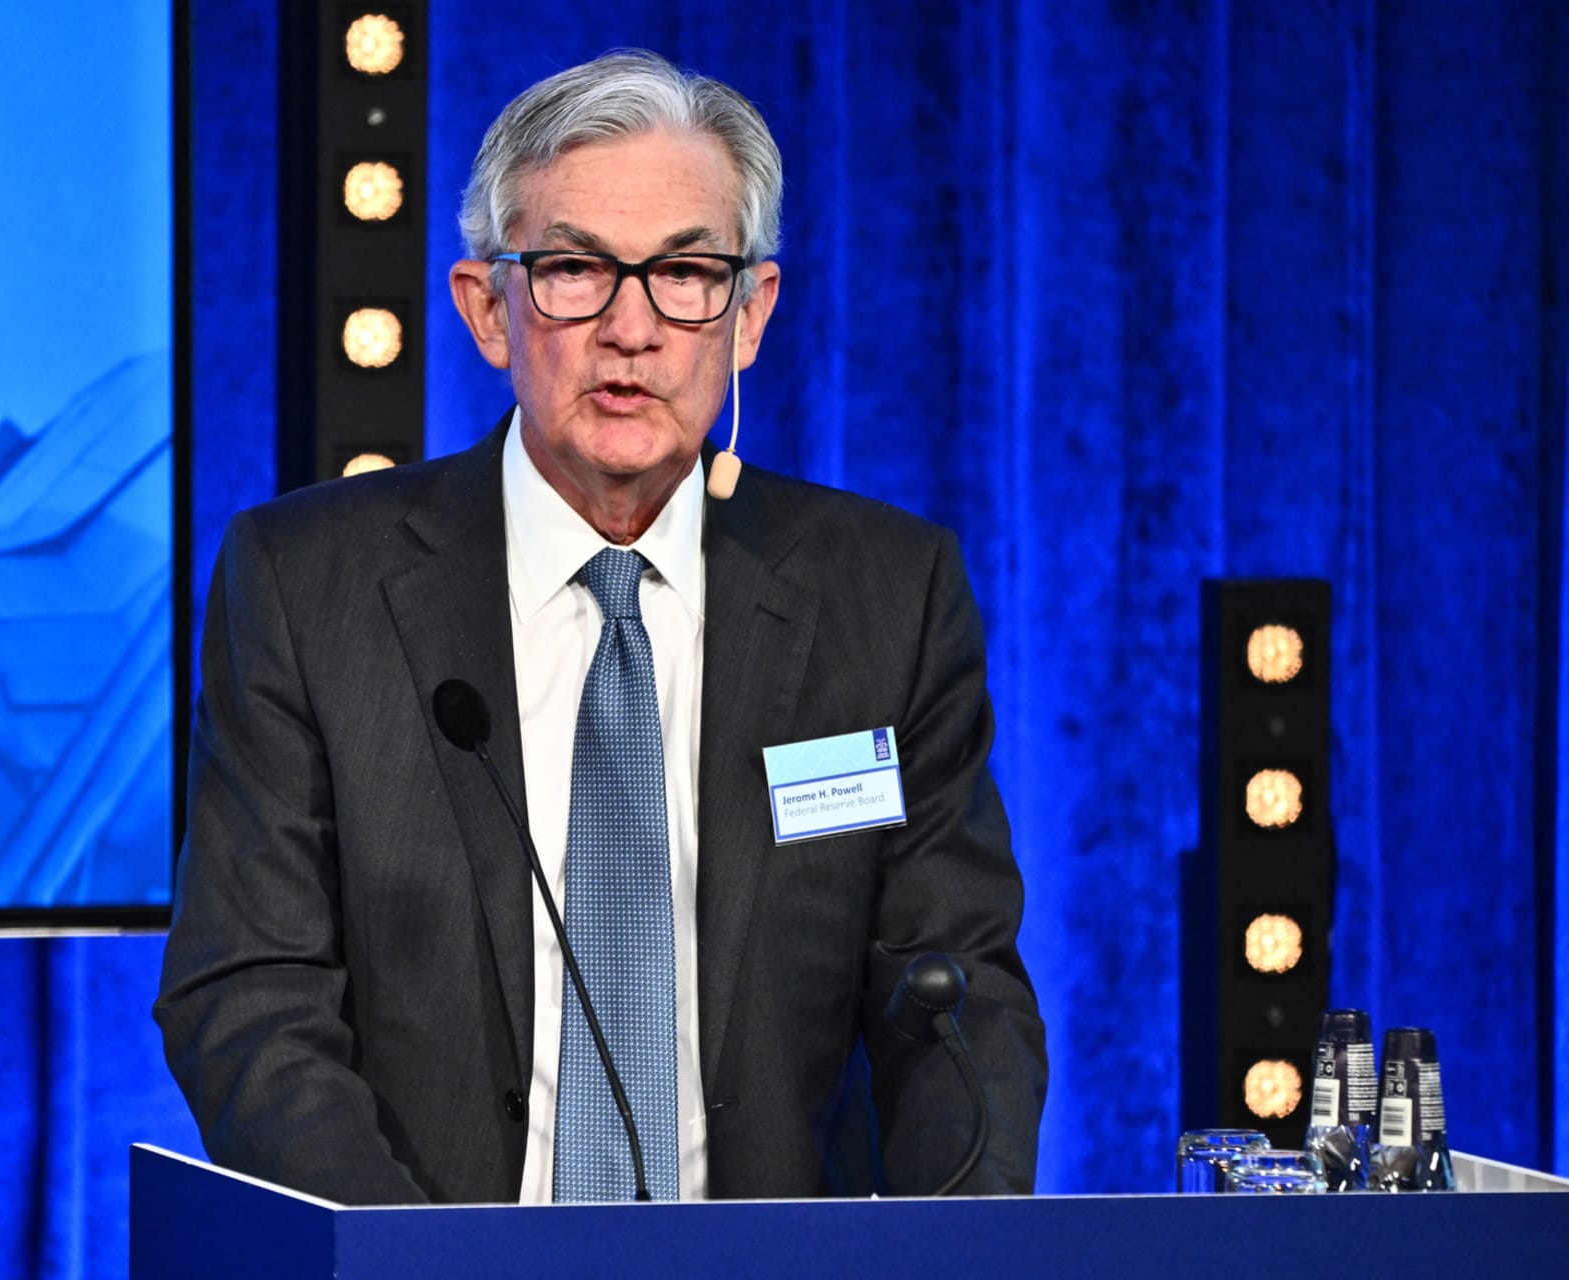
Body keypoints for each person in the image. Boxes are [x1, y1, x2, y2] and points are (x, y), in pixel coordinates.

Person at [155, 50, 1046, 1205]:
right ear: (488, 308)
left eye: (687, 272)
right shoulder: (307, 583)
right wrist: (414, 1268)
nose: (633, 327)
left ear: (751, 313)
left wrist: (957, 1248)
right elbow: (250, 994)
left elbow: (958, 989)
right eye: (574, 269)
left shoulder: (885, 592)